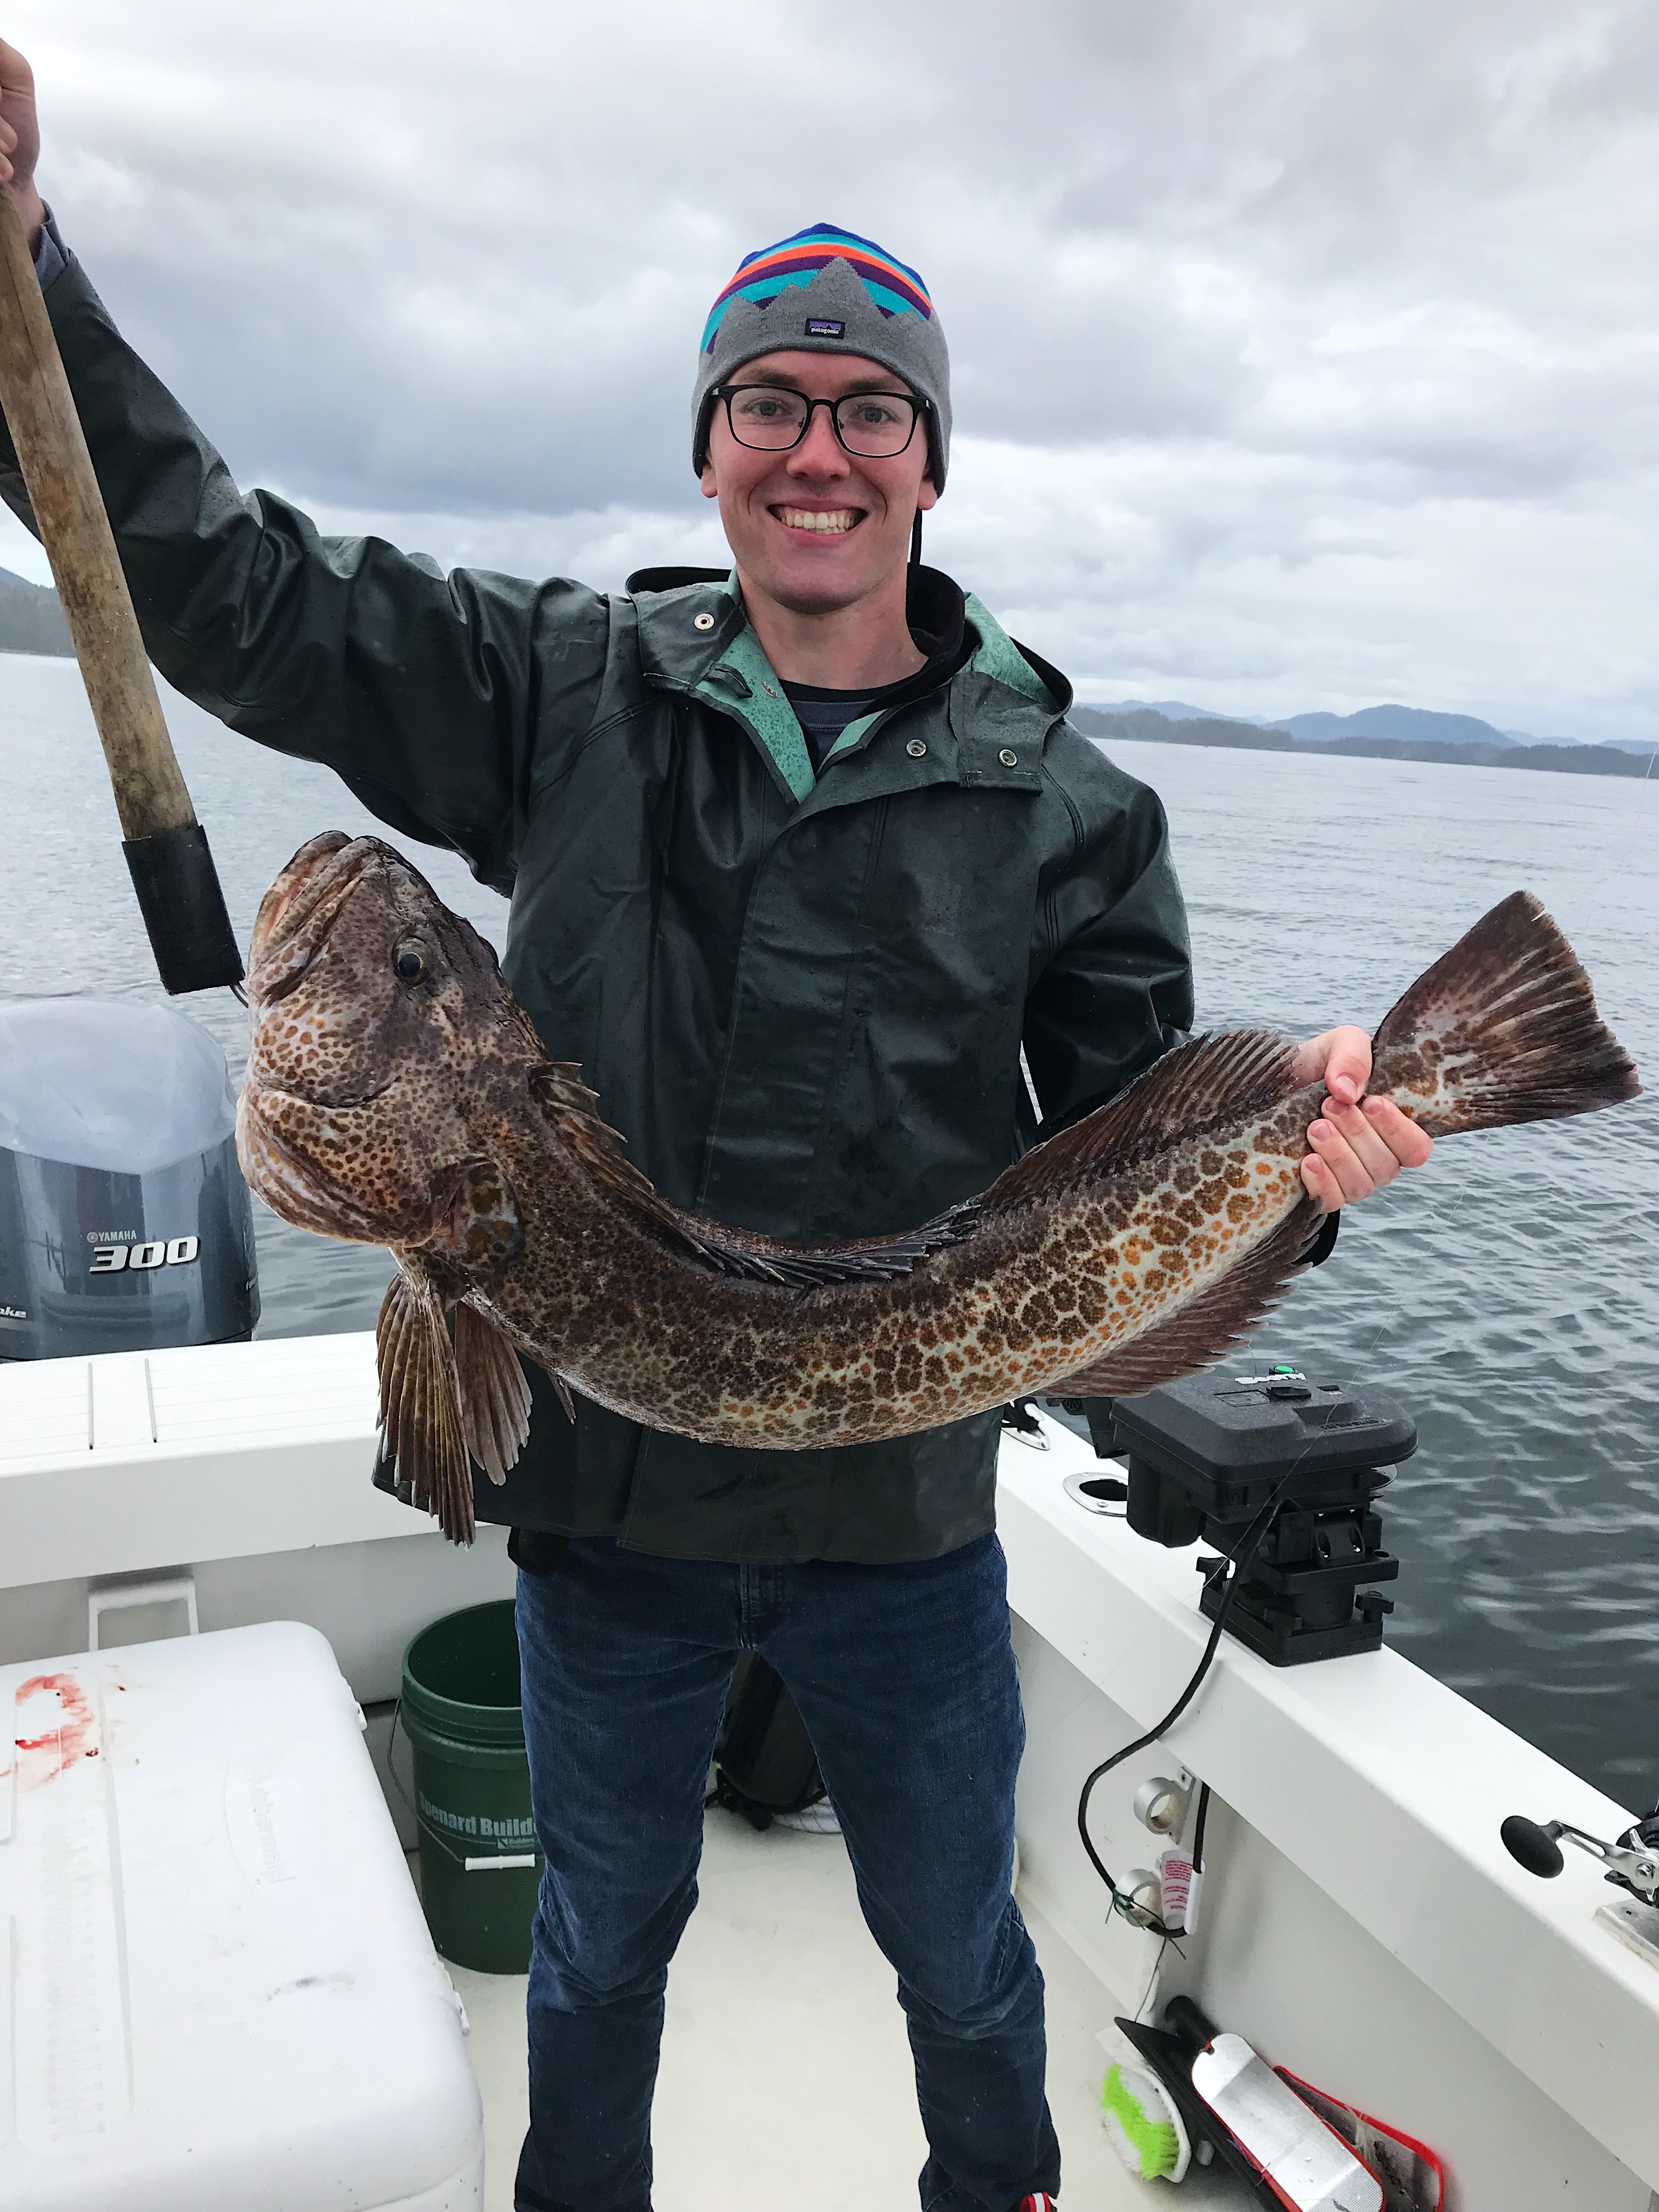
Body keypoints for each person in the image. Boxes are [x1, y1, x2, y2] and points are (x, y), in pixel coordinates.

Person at [0, 40, 1432, 2212]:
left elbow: (1134, 1159)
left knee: (963, 1963)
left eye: (871, 407)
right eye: (770, 401)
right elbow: (237, 586)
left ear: (931, 463)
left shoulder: (1070, 806)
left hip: (910, 1536)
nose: (819, 447)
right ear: (711, 452)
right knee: (597, 1954)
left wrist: (1295, 1186)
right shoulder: (558, 692)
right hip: (607, 1516)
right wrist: (25, 265)